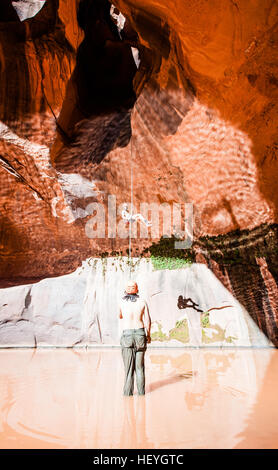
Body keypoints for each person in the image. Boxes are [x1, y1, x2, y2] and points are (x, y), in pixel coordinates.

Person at [119, 280, 151, 396]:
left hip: (127, 335)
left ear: (126, 290)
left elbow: (120, 315)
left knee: (128, 370)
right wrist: (148, 335)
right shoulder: (142, 301)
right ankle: (142, 394)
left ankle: (128, 396)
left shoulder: (121, 302)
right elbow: (148, 320)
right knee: (140, 368)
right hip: (140, 334)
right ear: (137, 290)